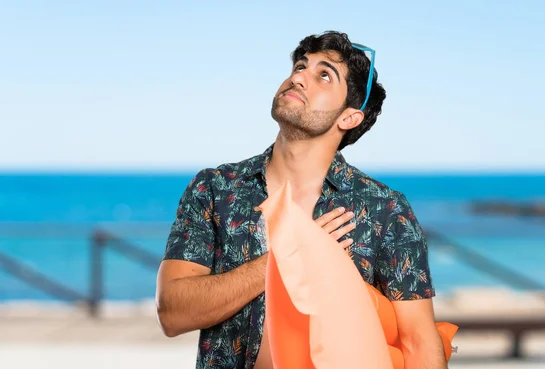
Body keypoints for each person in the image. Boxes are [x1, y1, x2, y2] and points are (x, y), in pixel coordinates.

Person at [155, 30, 446, 369]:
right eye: (300, 66)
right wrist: (283, 258)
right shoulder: (216, 188)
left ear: (349, 116)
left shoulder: (384, 209)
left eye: (324, 75)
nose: (298, 78)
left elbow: (419, 341)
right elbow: (172, 314)